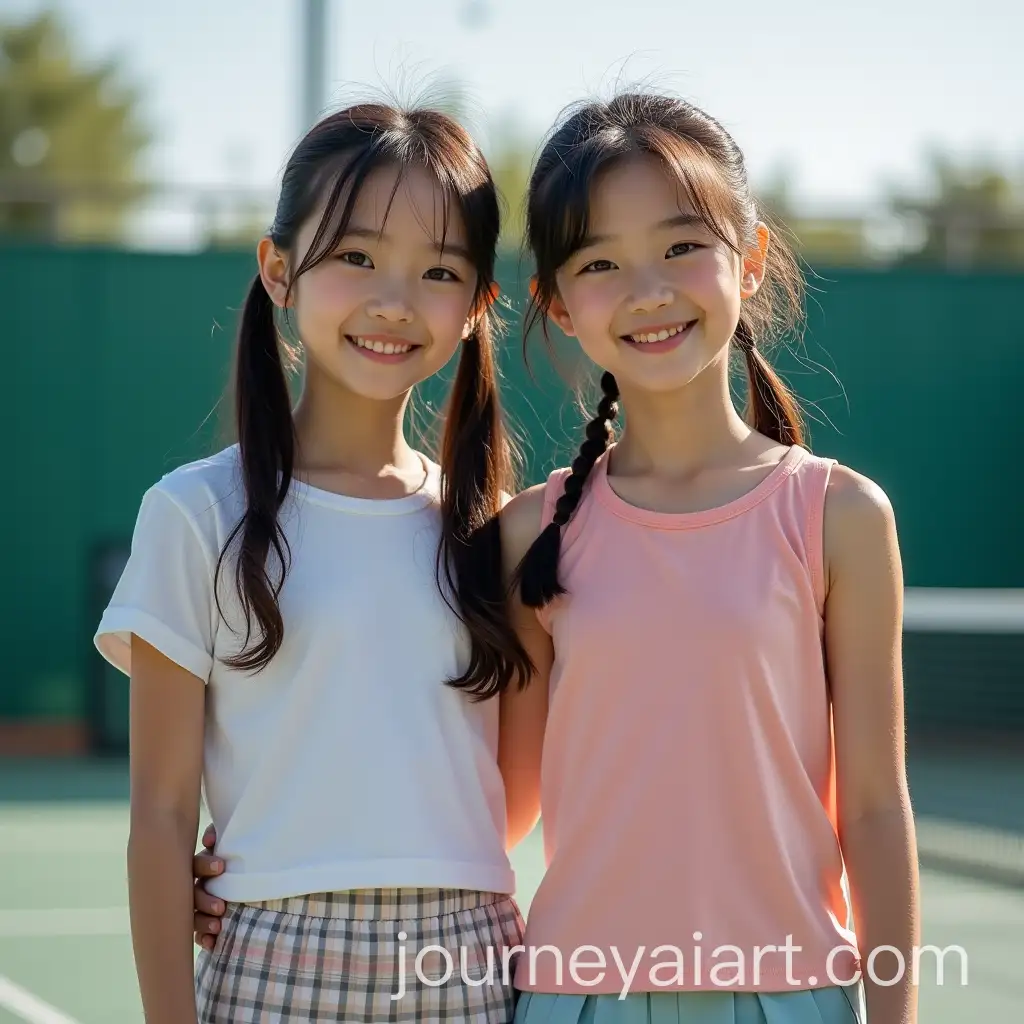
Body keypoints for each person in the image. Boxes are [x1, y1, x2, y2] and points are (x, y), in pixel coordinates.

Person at [193, 91, 920, 1023]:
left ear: (751, 259)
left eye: (681, 246)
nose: (648, 290)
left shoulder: (839, 516)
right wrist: (261, 858)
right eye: (600, 263)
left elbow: (875, 808)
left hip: (794, 994)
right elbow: (490, 804)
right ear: (557, 304)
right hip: (572, 1000)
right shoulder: (531, 535)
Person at [94, 102, 538, 1024]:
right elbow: (161, 816)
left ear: (476, 306)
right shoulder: (195, 512)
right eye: (356, 256)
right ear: (279, 269)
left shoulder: (496, 530)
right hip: (270, 963)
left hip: (474, 964)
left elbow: (506, 799)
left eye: (439, 271)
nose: (394, 301)